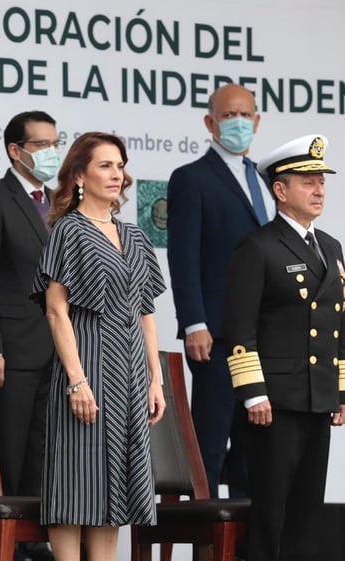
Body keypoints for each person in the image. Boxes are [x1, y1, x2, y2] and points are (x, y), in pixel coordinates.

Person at [31, 132, 166, 561]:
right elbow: (56, 311)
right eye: (105, 165)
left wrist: (155, 379)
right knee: (74, 483)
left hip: (128, 375)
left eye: (119, 165)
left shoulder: (135, 235)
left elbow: (146, 312)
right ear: (80, 175)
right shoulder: (69, 230)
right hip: (85, 368)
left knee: (115, 495)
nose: (116, 173)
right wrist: (76, 380)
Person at [224, 134, 345, 561]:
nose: (318, 191)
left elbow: (336, 326)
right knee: (271, 512)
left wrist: (340, 392)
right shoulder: (258, 246)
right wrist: (253, 392)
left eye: (322, 183)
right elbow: (240, 328)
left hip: (317, 396)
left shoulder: (330, 246)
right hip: (274, 401)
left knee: (307, 512)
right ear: (280, 190)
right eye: (307, 182)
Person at [166, 83, 273, 498]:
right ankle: (207, 544)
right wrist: (194, 322)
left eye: (246, 115)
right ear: (210, 123)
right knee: (210, 443)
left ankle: (246, 546)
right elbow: (183, 256)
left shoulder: (267, 179)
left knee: (255, 446)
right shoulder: (191, 179)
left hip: (264, 334)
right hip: (217, 335)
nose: (238, 123)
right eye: (229, 116)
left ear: (258, 121)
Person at [0, 111, 57, 561]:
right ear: (14, 151)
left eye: (55, 143)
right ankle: (4, 551)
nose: (50, 152)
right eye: (40, 145)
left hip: (59, 354)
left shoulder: (62, 205)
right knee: (9, 458)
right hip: (12, 353)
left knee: (44, 458)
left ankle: (36, 545)